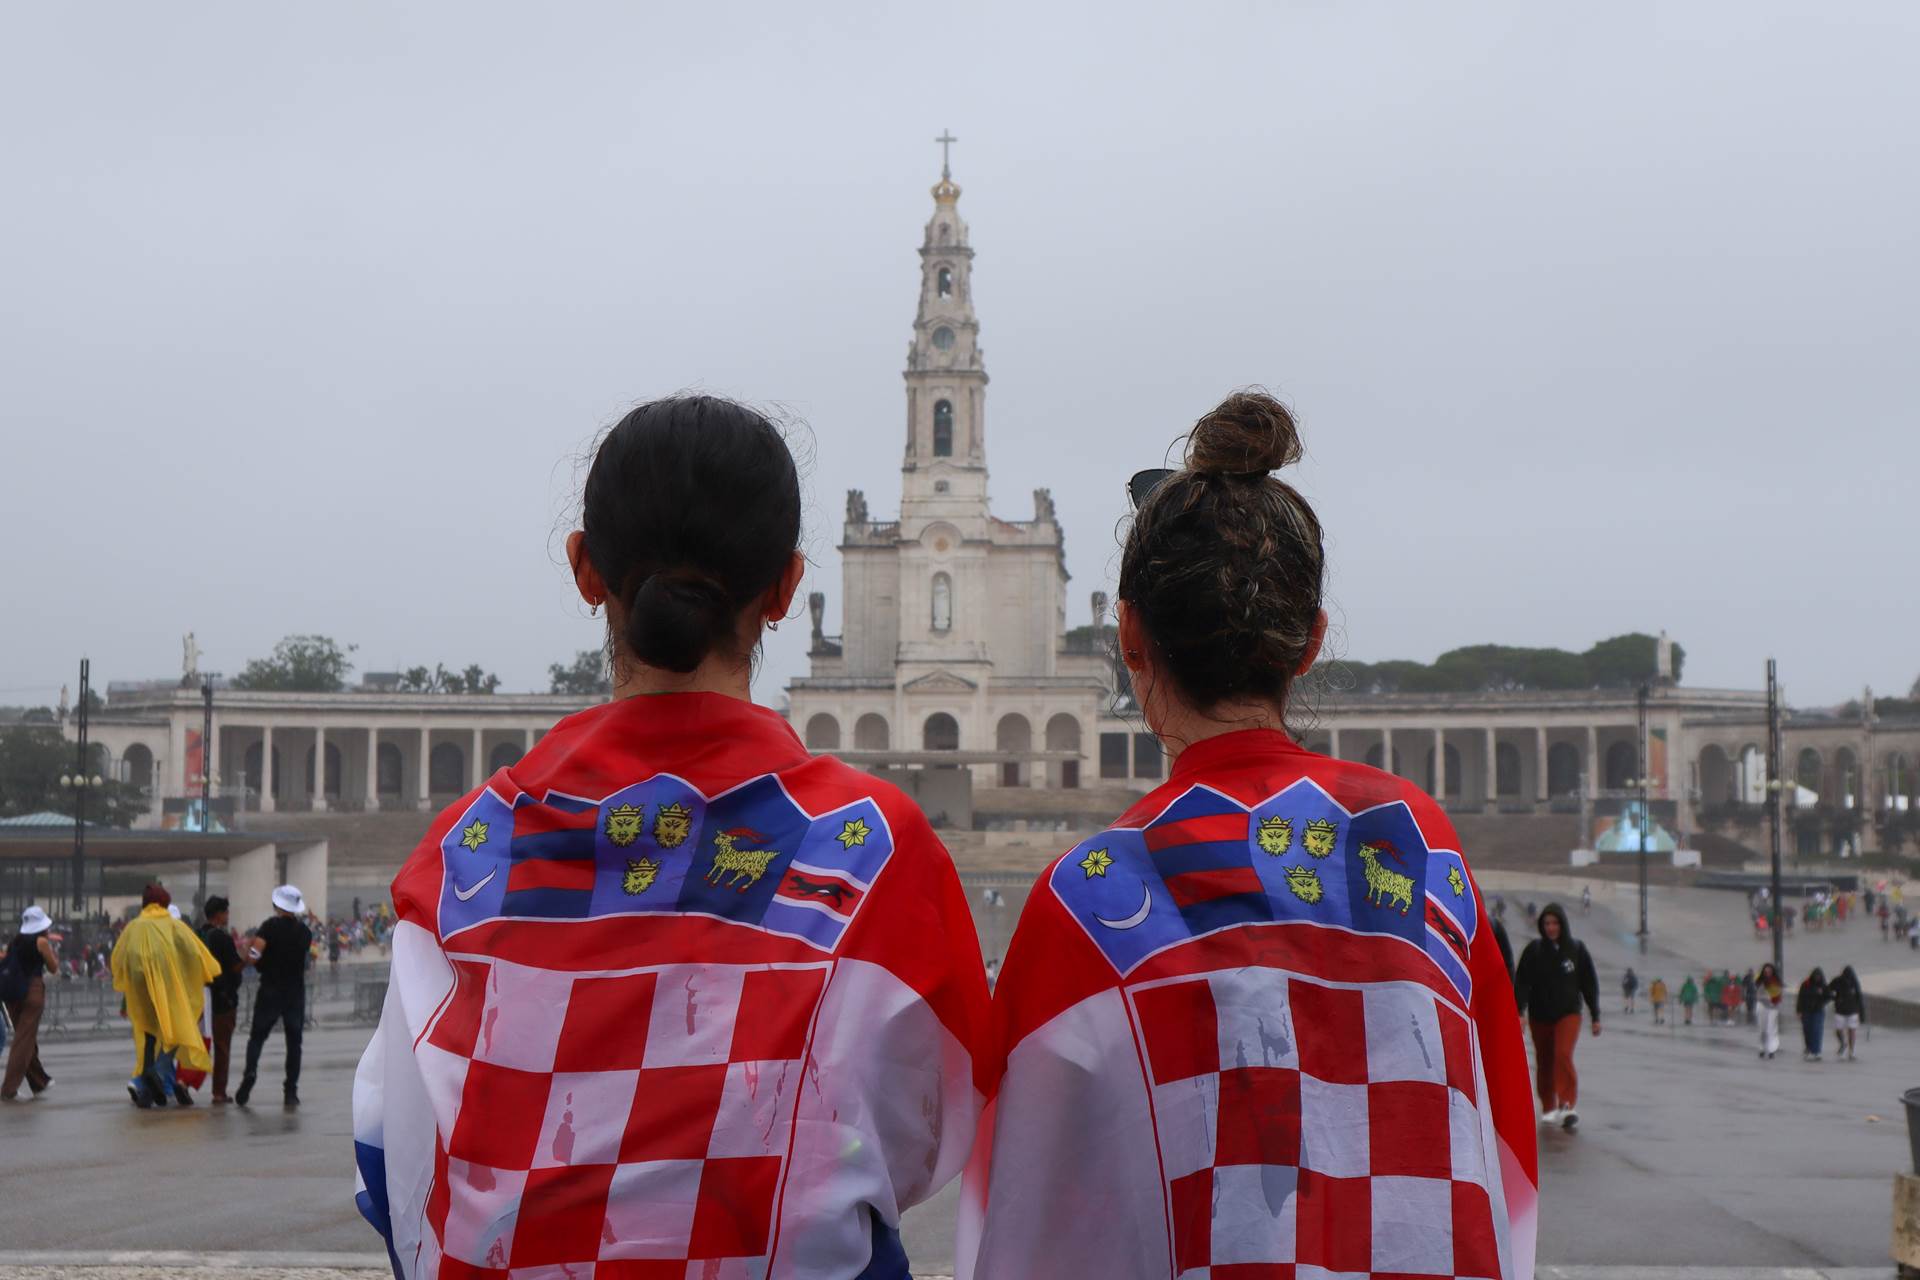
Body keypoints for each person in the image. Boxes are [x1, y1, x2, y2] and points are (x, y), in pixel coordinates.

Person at [353, 396, 990, 1278]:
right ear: (784, 587)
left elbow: (394, 1159)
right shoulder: (872, 848)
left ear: (585, 569)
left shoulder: (469, 851)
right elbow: (927, 1136)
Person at [963, 394, 1537, 1278]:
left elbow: (1025, 1211)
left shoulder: (1091, 892)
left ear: (1130, 639)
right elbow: (1503, 1147)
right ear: (1308, 642)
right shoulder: (1417, 846)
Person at [109, 885, 220, 1108]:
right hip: (166, 987)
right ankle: (155, 1075)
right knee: (174, 1032)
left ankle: (148, 1081)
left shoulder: (133, 926)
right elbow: (193, 950)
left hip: (141, 989)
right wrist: (208, 970)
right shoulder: (172, 924)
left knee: (149, 1033)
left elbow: (118, 955)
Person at [1514, 902, 1601, 1130]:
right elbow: (1522, 983)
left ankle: (1568, 1104)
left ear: (1563, 924)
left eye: (1555, 923)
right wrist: (1519, 1011)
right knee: (1544, 1060)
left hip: (1568, 1013)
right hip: (1540, 1014)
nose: (1551, 927)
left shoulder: (1576, 950)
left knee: (1562, 1054)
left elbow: (1589, 983)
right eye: (1547, 923)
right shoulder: (1533, 951)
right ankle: (1548, 1106)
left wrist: (1596, 1015)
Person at [236, 884, 312, 1107]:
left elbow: (254, 954)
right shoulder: (305, 932)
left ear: (277, 905)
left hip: (270, 989)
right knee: (294, 1042)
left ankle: (250, 1072)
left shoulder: (269, 927)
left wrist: (250, 952)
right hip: (295, 992)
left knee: (257, 1037)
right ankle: (290, 1091)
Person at [1, 905, 59, 1100]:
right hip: (32, 992)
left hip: (12, 994)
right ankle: (9, 1089)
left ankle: (39, 1081)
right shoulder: (41, 942)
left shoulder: (14, 943)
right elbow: (53, 967)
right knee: (22, 1042)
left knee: (24, 1038)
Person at [198, 896, 245, 1103]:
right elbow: (235, 966)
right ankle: (219, 1091)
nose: (227, 916)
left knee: (195, 1043)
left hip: (198, 997)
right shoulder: (223, 938)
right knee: (222, 1047)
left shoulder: (197, 935)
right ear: (219, 914)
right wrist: (246, 957)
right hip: (222, 1000)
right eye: (226, 912)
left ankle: (183, 1082)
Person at [1830, 964, 1867, 1060]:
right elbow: (1828, 990)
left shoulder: (1855, 983)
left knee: (1852, 1030)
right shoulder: (1837, 981)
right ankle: (1843, 1043)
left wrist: (1862, 1013)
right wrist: (1835, 998)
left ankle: (1851, 1051)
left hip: (1852, 1011)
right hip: (1840, 1010)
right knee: (1839, 1030)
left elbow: (1859, 997)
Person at [1796, 966, 1830, 1061]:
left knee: (1817, 1030)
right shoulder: (1805, 984)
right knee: (1807, 1031)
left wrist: (1822, 1000)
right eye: (1816, 975)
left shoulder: (1823, 985)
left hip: (1818, 1011)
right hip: (1806, 1011)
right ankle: (1808, 1048)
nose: (1817, 977)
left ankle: (1816, 1051)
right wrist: (1799, 1010)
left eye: (1819, 976)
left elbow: (1829, 996)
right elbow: (1800, 998)